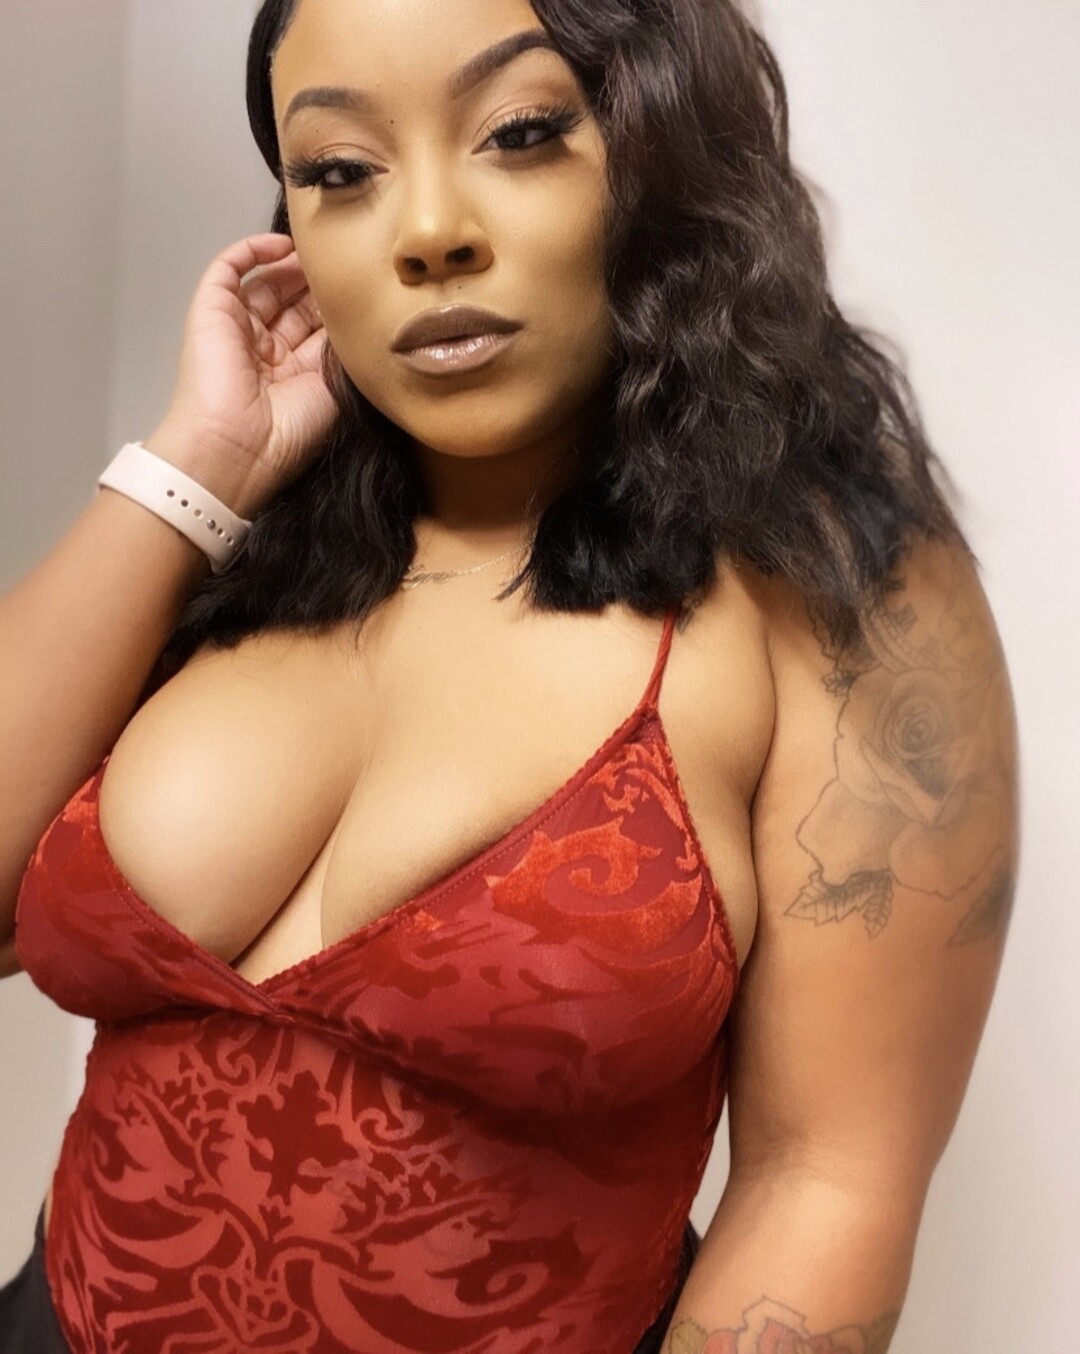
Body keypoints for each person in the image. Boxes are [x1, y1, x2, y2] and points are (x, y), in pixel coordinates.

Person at [0, 0, 1018, 1349]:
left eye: (522, 132)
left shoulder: (841, 577)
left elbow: (826, 1180)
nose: (427, 231)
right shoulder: (245, 533)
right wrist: (199, 464)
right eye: (340, 171)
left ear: (668, 149)